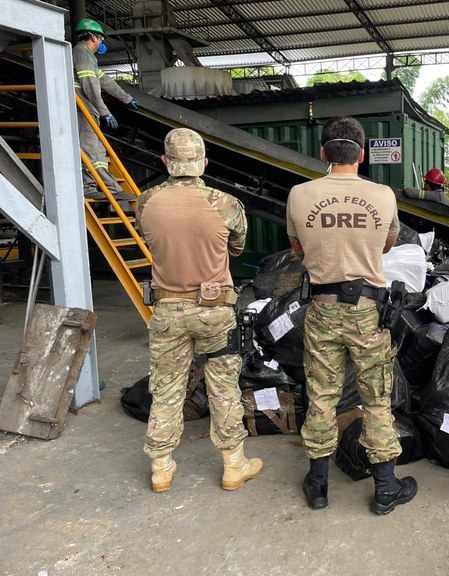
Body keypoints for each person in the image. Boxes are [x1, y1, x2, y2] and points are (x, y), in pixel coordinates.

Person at [286, 116, 417, 515]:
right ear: (361, 155)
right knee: (376, 398)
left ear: (323, 152)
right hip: (368, 312)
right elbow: (387, 243)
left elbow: (296, 247)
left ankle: (318, 486)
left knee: (321, 396)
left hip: (322, 308)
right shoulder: (383, 195)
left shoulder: (299, 194)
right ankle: (385, 488)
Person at [136, 128, 262, 493]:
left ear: (165, 161)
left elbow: (150, 239)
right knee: (223, 387)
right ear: (204, 162)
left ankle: (161, 468)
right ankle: (234, 466)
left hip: (167, 311)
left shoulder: (145, 202)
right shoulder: (225, 203)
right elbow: (236, 248)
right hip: (215, 311)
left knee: (166, 388)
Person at [73, 18, 137, 201]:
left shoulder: (88, 56)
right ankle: (105, 188)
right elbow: (90, 86)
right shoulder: (81, 53)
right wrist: (105, 112)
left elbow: (105, 81)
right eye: (100, 38)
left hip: (88, 109)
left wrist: (127, 98)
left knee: (98, 150)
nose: (101, 43)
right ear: (93, 37)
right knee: (90, 149)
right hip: (83, 109)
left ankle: (98, 187)